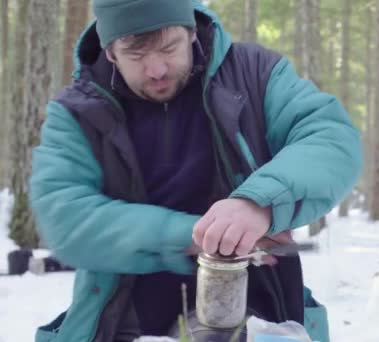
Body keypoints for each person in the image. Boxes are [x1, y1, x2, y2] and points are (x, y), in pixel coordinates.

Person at [29, 0, 362, 341]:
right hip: (120, 320)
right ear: (110, 52)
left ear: (191, 30)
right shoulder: (75, 112)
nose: (156, 69)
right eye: (136, 54)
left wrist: (258, 202)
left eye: (169, 47)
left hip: (257, 312)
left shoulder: (256, 74)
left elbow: (331, 139)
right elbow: (65, 216)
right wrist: (200, 235)